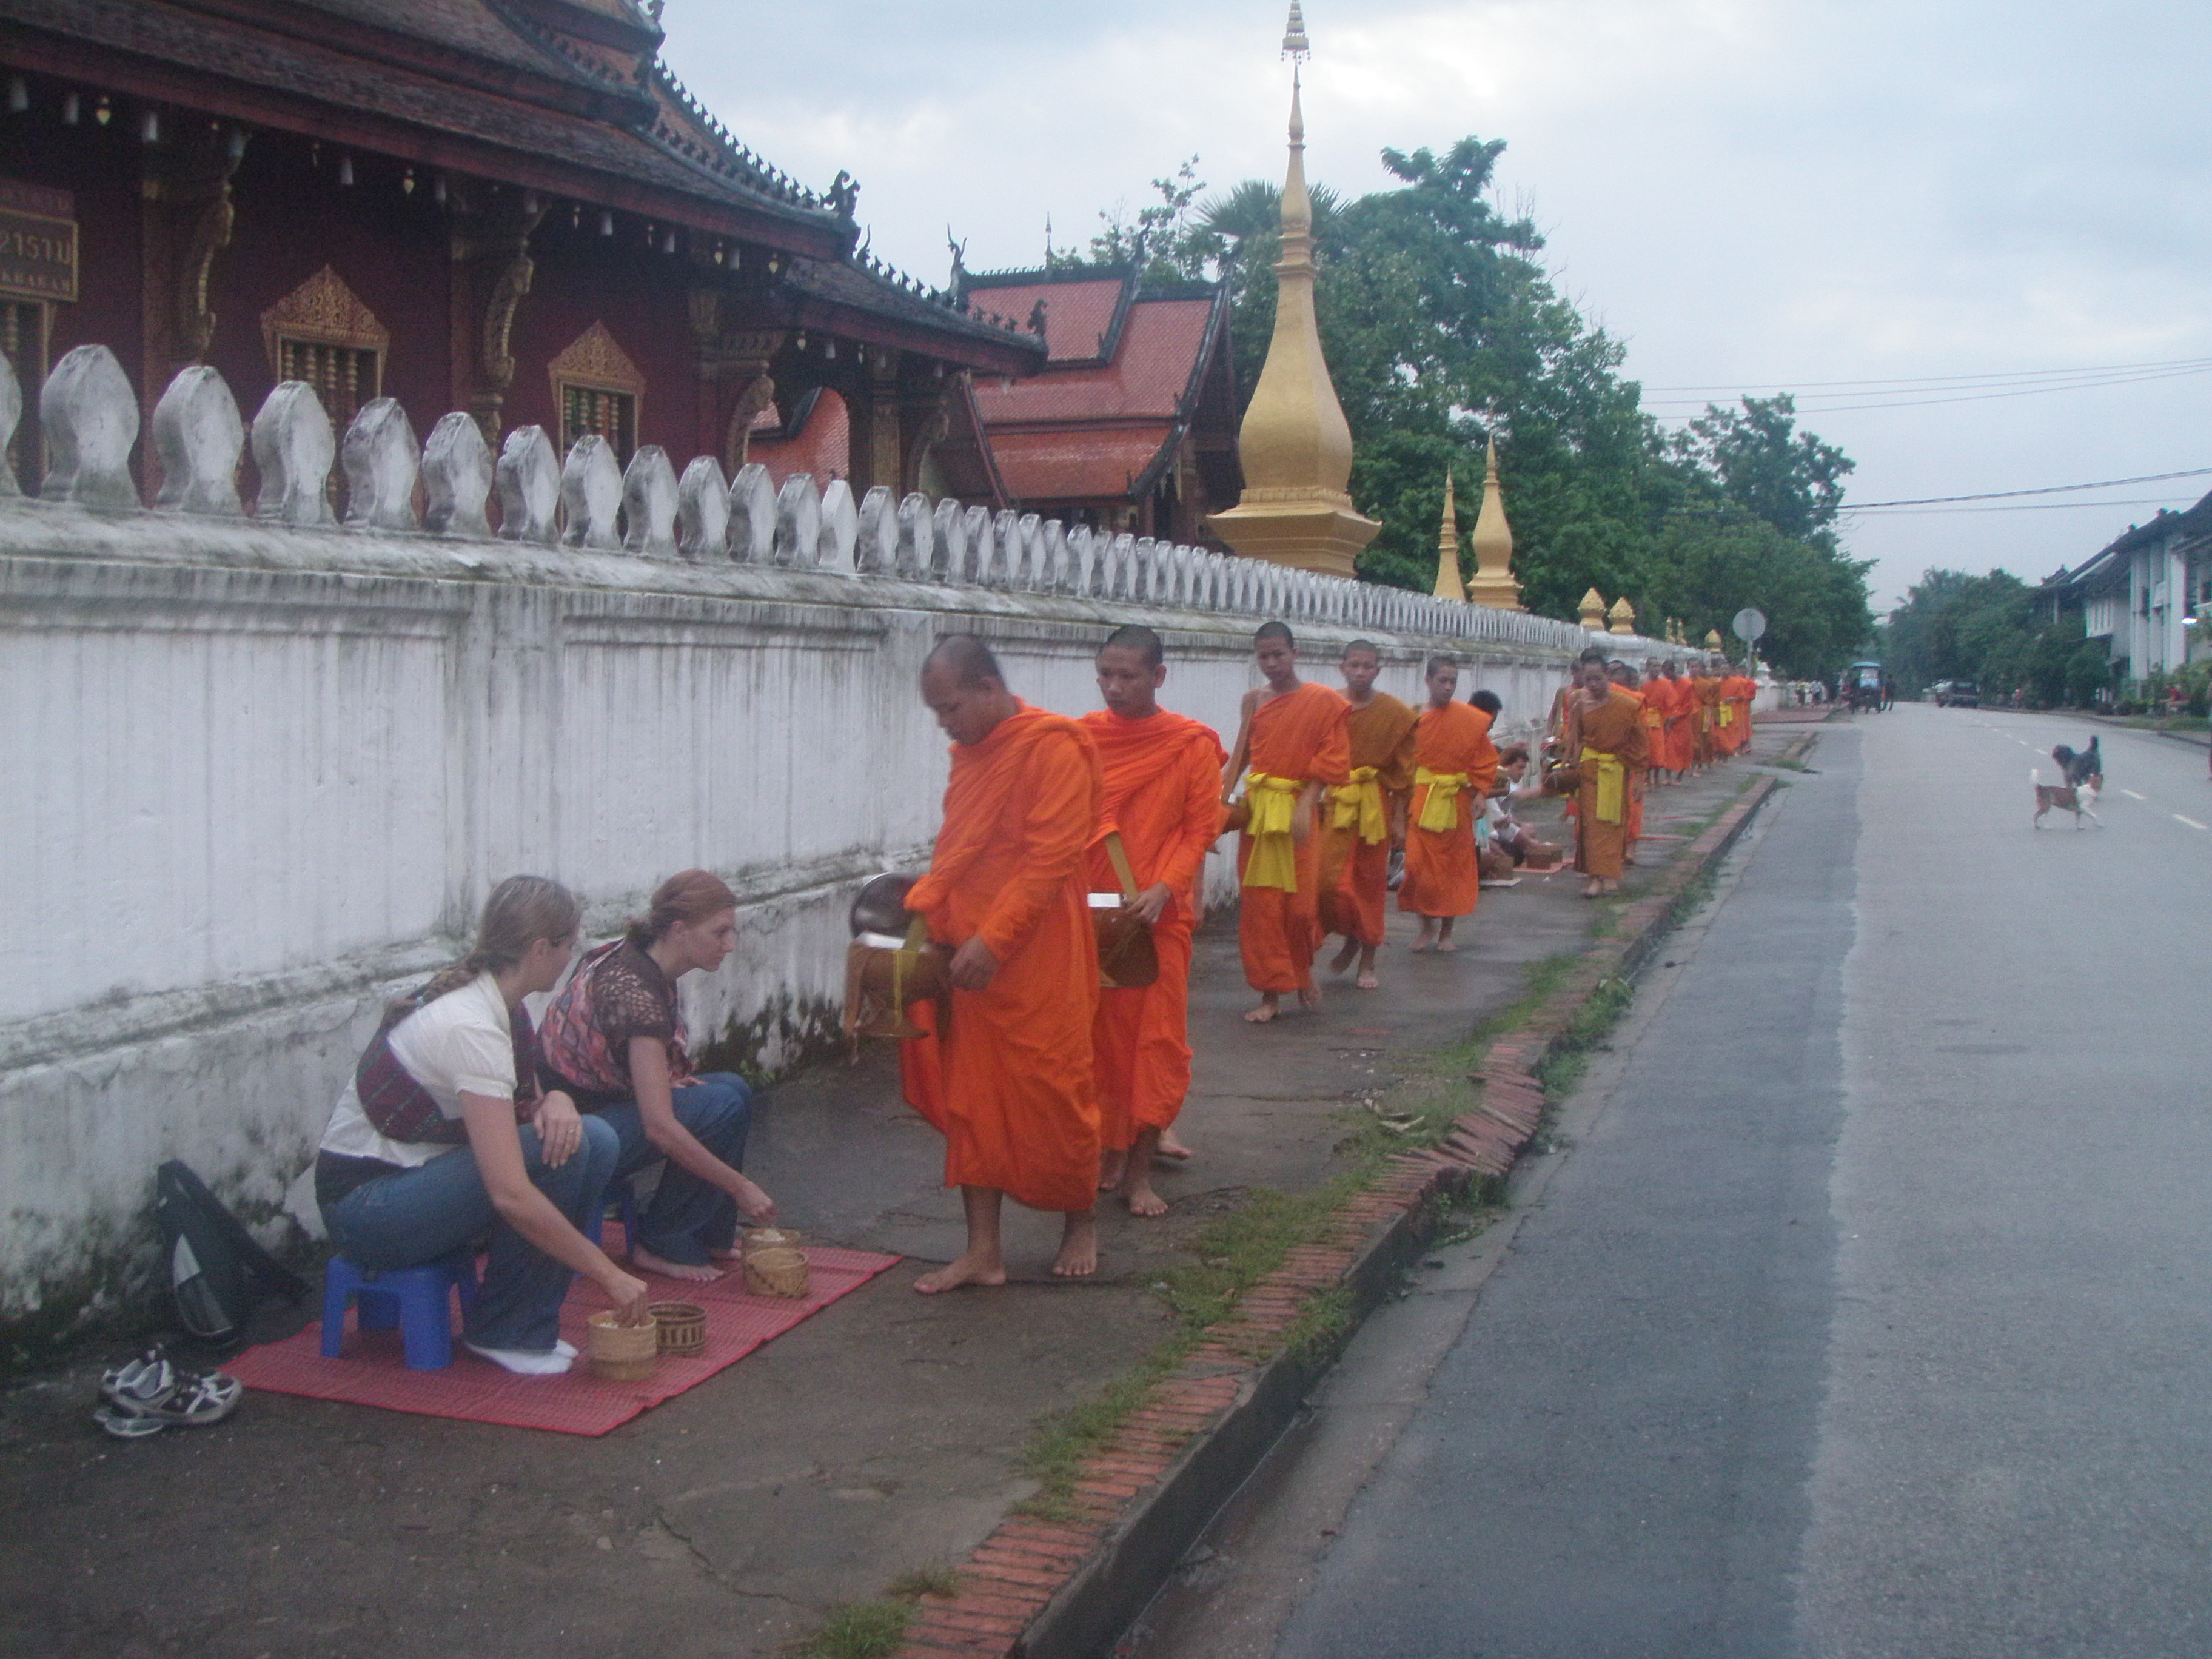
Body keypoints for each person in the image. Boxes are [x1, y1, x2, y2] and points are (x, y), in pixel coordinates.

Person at [314, 876, 649, 1376]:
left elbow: (524, 1104)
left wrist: (556, 1099)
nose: (570, 958)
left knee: (590, 1140)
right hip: (365, 1212)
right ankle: (505, 1332)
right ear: (541, 949)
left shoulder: (499, 1005)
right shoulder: (471, 1024)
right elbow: (508, 1192)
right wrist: (608, 1274)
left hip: (413, 1186)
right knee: (576, 1148)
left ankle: (513, 1323)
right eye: (568, 946)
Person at [900, 634, 1104, 1289]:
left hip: (1038, 952)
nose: (945, 724)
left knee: (1056, 1090)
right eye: (937, 712)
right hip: (969, 956)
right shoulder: (972, 757)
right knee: (974, 1105)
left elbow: (1050, 860)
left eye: (951, 708)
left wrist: (996, 939)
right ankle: (983, 1249)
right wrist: (940, 928)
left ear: (990, 689)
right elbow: (958, 852)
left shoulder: (1054, 746)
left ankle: (1080, 1222)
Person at [537, 870, 775, 1282]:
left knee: (733, 1089)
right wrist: (741, 1187)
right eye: (720, 933)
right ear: (680, 930)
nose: (730, 945)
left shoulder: (642, 958)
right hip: (570, 1136)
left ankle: (708, 1233)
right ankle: (663, 1238)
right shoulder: (637, 997)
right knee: (720, 1105)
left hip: (599, 1104)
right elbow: (659, 1128)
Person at [1082, 625, 1226, 1217]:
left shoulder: (1190, 745)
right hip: (1094, 912)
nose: (1114, 689)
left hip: (1159, 918)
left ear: (1158, 676)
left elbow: (1199, 828)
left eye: (1128, 677)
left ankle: (1139, 1172)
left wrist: (1165, 886)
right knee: (1097, 1043)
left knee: (1153, 1044)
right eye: (1105, 676)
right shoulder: (1082, 739)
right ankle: (1107, 1151)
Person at [1222, 622, 1352, 1022]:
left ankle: (1300, 972)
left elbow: (1333, 758)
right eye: (1264, 656)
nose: (1272, 663)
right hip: (1260, 817)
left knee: (1299, 910)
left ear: (1295, 653)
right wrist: (1218, 803)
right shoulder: (1253, 700)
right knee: (1262, 909)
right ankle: (1271, 995)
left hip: (1298, 814)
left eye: (1279, 654)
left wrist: (1306, 803)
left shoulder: (1324, 701)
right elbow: (1242, 755)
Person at [1319, 639, 1415, 991]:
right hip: (1334, 802)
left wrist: (1400, 821)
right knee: (1328, 884)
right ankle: (1350, 936)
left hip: (1375, 805)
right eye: (1355, 665)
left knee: (1371, 885)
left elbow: (1405, 775)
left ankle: (1368, 959)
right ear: (1341, 667)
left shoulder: (1397, 714)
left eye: (1368, 666)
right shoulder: (1326, 705)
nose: (1361, 672)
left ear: (1378, 670)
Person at [1399, 655, 1496, 951]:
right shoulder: (1412, 717)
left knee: (1453, 869)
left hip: (1455, 800)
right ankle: (1426, 926)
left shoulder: (1469, 719)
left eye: (1453, 682)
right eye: (1442, 681)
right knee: (1416, 866)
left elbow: (1486, 760)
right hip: (1422, 796)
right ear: (1428, 681)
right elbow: (1401, 760)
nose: (1448, 687)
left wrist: (1480, 794)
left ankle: (1446, 933)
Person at [1538, 647, 1650, 898]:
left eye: (1598, 678)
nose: (1593, 684)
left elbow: (1640, 743)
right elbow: (1575, 738)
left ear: (1608, 677)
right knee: (1590, 824)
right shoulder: (1578, 700)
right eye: (1588, 679)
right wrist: (1568, 766)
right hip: (1589, 769)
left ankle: (1610, 873)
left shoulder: (1628, 705)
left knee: (1614, 822)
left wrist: (1640, 778)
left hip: (1617, 769)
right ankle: (1594, 878)